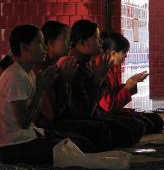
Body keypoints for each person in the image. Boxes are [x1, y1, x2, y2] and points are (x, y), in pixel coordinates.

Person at [0, 25, 95, 165]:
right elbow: (24, 122)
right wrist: (40, 89)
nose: (44, 47)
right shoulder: (15, 76)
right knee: (74, 148)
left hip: (29, 136)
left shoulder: (29, 72)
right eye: (39, 42)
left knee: (79, 142)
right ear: (24, 47)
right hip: (14, 146)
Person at [35, 21, 112, 152]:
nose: (70, 43)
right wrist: (65, 83)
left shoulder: (58, 67)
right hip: (47, 125)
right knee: (98, 133)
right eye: (65, 39)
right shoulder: (45, 70)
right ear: (50, 44)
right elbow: (54, 115)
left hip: (62, 119)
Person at [67, 20, 145, 147]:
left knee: (138, 125)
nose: (101, 42)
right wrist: (98, 80)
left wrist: (128, 86)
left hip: (91, 115)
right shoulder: (72, 64)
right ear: (82, 42)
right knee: (121, 131)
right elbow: (88, 111)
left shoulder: (88, 64)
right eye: (96, 38)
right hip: (79, 118)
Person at [98, 31, 164, 134]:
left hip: (114, 112)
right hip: (104, 115)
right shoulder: (100, 69)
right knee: (139, 126)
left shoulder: (111, 69)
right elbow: (107, 106)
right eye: (124, 52)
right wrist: (127, 88)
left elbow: (114, 93)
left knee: (156, 120)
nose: (126, 56)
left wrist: (131, 83)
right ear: (113, 53)